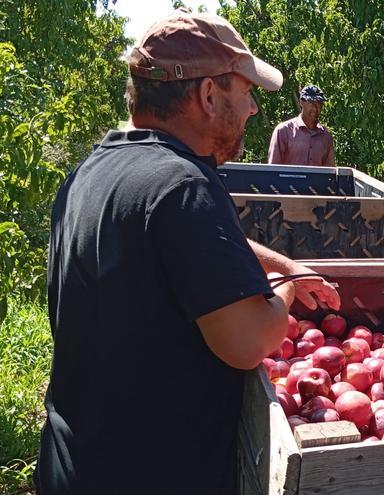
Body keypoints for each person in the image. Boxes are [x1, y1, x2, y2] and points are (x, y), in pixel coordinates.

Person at [36, 11, 340, 495]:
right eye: (246, 92)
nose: (254, 110)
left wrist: (283, 266)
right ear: (208, 95)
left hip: (75, 466)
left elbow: (188, 244)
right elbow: (249, 342)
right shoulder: (183, 186)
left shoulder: (90, 174)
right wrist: (281, 296)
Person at [268, 84, 336, 166]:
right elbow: (273, 168)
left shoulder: (325, 137)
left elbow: (329, 172)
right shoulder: (283, 131)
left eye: (319, 104)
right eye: (311, 103)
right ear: (301, 102)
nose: (315, 108)